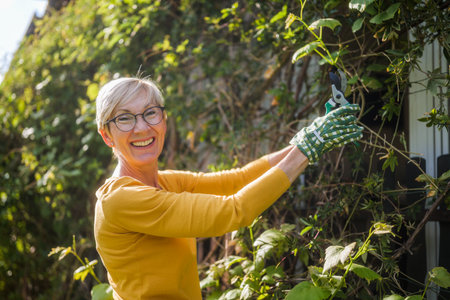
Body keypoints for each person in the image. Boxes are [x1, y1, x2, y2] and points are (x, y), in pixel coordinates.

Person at [94, 77, 363, 299]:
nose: (142, 127)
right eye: (125, 119)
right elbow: (233, 211)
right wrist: (309, 147)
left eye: (150, 113)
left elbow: (237, 180)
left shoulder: (165, 182)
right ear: (107, 136)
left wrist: (304, 141)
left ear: (163, 121)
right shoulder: (120, 199)